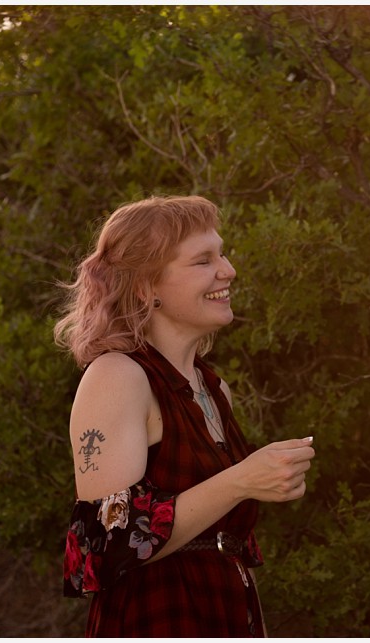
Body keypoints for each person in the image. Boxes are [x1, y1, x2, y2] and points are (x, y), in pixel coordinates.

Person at [55, 195, 315, 637]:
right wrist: (243, 480)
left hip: (222, 610)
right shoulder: (116, 375)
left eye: (223, 253)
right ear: (145, 287)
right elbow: (109, 542)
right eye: (203, 260)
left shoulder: (214, 390)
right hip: (157, 617)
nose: (228, 270)